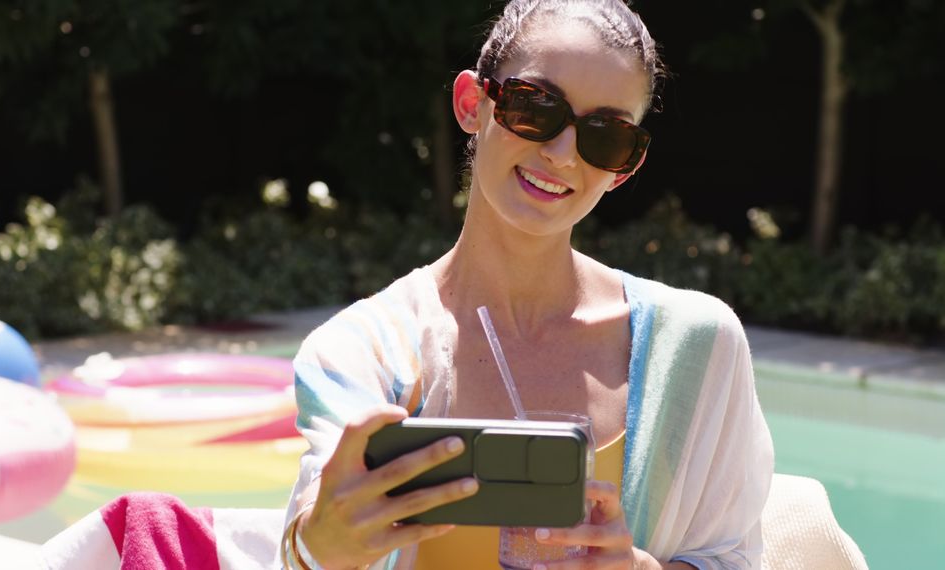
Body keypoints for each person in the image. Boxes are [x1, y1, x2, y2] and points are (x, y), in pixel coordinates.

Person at [280, 0, 774, 568]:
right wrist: (319, 547)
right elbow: (314, 542)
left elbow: (733, 556)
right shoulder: (358, 353)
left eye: (606, 136)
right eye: (534, 107)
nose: (562, 154)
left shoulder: (697, 348)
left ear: (625, 168)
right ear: (473, 103)